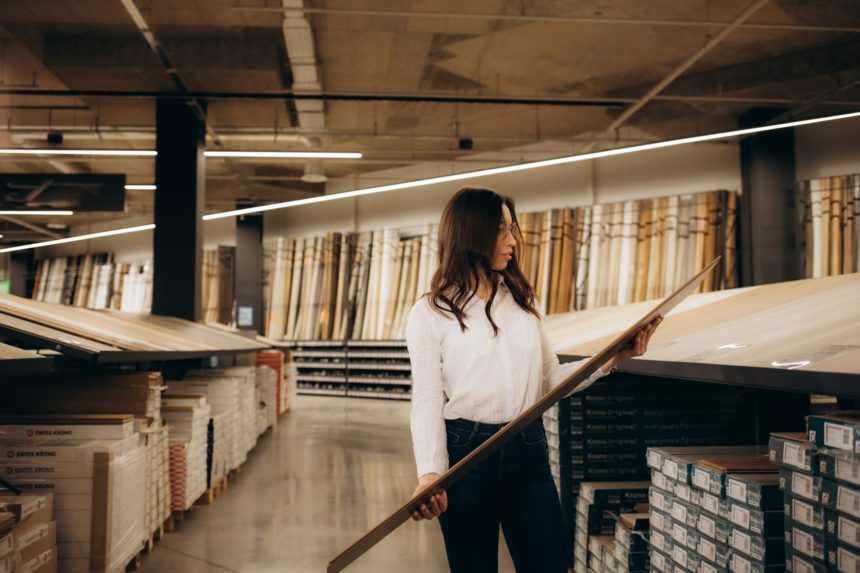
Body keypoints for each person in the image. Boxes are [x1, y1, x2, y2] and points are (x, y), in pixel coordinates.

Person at [405, 187, 662, 573]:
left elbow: (548, 382)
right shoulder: (431, 312)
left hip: (528, 452)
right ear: (471, 234)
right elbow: (426, 398)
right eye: (501, 230)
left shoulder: (523, 303)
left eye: (513, 229)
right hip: (466, 458)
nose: (512, 241)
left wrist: (611, 356)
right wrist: (430, 474)